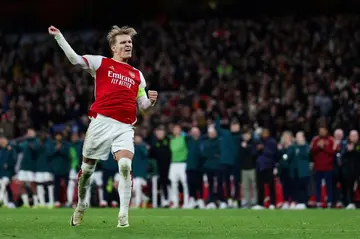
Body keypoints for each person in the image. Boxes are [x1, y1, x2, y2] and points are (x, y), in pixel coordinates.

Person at [49, 25, 158, 227]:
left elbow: (142, 106)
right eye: (123, 42)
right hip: (101, 123)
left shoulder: (137, 75)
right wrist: (59, 37)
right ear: (113, 48)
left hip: (125, 127)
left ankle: (123, 217)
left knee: (125, 166)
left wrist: (150, 101)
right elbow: (74, 59)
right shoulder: (101, 63)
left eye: (130, 42)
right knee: (87, 170)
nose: (128, 45)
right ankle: (81, 205)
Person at [310, 126, 335, 208]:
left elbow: (333, 152)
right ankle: (318, 202)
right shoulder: (315, 139)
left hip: (328, 167)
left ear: (326, 131)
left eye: (323, 131)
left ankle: (330, 202)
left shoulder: (331, 139)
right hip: (318, 167)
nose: (322, 132)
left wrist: (324, 147)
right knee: (317, 185)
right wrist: (318, 146)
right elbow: (312, 151)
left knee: (329, 186)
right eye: (320, 131)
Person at [253, 128, 277, 209]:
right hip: (260, 167)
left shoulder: (272, 142)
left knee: (271, 186)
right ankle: (260, 204)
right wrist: (257, 149)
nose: (264, 134)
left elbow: (274, 153)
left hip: (269, 166)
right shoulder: (257, 141)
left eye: (266, 133)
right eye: (263, 133)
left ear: (269, 133)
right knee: (260, 187)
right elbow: (253, 153)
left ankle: (272, 204)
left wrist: (263, 149)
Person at [149, 126, 171, 207]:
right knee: (163, 182)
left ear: (164, 133)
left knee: (169, 182)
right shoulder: (154, 142)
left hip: (170, 165)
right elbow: (151, 155)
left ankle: (171, 199)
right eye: (158, 132)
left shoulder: (169, 140)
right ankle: (165, 200)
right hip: (159, 166)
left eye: (161, 132)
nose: (159, 134)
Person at [288, 131, 310, 209]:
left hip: (303, 171)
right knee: (295, 187)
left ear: (303, 137)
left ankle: (303, 202)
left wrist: (301, 147)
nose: (297, 138)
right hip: (294, 171)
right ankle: (296, 202)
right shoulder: (293, 146)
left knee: (303, 187)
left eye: (299, 137)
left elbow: (307, 155)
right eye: (297, 137)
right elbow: (289, 156)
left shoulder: (306, 146)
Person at [169, 124, 189, 208]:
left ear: (181, 130)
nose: (176, 130)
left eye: (178, 129)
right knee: (173, 184)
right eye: (175, 129)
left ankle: (186, 203)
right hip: (173, 164)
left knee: (185, 183)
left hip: (182, 163)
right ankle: (175, 202)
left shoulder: (184, 138)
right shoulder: (171, 140)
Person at [185, 127, 205, 209]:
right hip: (190, 166)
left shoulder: (202, 141)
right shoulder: (188, 141)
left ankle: (200, 200)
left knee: (199, 184)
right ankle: (192, 199)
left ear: (199, 133)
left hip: (199, 167)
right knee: (190, 184)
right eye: (193, 132)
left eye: (196, 131)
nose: (195, 133)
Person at [342, 130, 360, 209]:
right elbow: (342, 157)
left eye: (355, 135)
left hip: (358, 170)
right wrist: (348, 151)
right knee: (349, 187)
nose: (353, 137)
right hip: (350, 171)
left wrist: (354, 150)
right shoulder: (345, 145)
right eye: (352, 136)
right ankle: (350, 203)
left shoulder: (358, 146)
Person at [277, 131, 294, 209]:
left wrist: (283, 153)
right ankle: (286, 202)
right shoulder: (281, 147)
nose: (285, 138)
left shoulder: (293, 147)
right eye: (284, 137)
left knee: (292, 186)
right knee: (285, 187)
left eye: (287, 137)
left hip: (291, 169)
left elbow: (288, 157)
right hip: (283, 170)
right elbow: (279, 157)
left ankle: (293, 202)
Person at [240, 129, 257, 208]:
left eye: (247, 135)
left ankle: (255, 202)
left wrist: (246, 147)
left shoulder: (254, 143)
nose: (245, 136)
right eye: (244, 135)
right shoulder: (241, 143)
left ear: (250, 135)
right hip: (244, 169)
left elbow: (253, 153)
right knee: (245, 187)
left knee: (254, 186)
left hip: (252, 168)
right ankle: (248, 202)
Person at [0, 136, 16, 208]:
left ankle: (0, 198)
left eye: (3, 140)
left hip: (8, 172)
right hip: (1, 172)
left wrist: (8, 164)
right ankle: (6, 203)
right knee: (4, 187)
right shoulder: (1, 150)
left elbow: (14, 159)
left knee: (3, 184)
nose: (2, 142)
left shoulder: (11, 149)